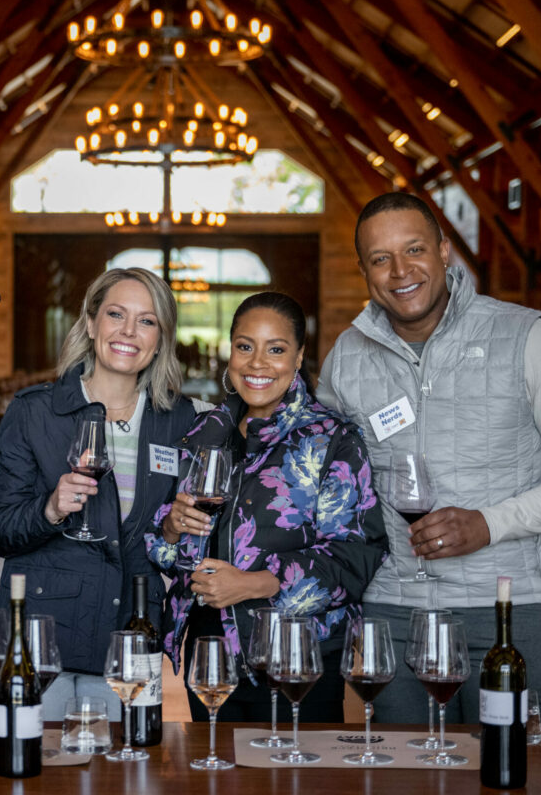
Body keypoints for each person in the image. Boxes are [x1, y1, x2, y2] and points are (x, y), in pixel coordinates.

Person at [317, 192, 541, 725]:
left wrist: (490, 523)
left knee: (515, 776)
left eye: (414, 249)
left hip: (513, 611)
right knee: (404, 782)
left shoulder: (526, 336)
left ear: (443, 250)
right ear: (363, 269)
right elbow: (322, 482)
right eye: (380, 258)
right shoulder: (347, 357)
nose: (400, 271)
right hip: (393, 613)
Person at [147, 292, 388, 722]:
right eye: (245, 346)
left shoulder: (332, 439)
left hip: (296, 658)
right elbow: (167, 553)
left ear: (298, 358)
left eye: (275, 349)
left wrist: (256, 583)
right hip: (209, 653)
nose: (257, 363)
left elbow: (355, 558)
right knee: (214, 777)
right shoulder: (204, 432)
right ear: (230, 352)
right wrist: (169, 528)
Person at [0, 267, 198, 720]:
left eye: (146, 321)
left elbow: (179, 535)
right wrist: (48, 508)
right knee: (35, 771)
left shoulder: (179, 420)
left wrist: (174, 530)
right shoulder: (34, 411)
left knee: (130, 770)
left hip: (133, 633)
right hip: (43, 639)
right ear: (90, 323)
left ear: (161, 338)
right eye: (115, 314)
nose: (128, 331)